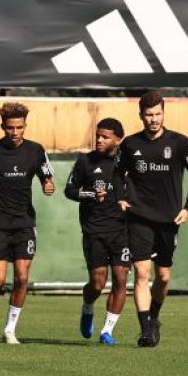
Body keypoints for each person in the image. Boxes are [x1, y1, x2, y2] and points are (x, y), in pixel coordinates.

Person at [115, 91, 188, 348]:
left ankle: (154, 317)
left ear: (163, 113)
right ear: (140, 115)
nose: (153, 119)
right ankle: (146, 331)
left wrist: (187, 208)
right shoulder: (130, 144)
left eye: (157, 114)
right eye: (149, 114)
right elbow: (117, 173)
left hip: (169, 219)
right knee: (142, 273)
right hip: (139, 216)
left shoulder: (180, 142)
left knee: (163, 277)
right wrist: (120, 197)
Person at [0, 102, 55, 344]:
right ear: (2, 126)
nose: (15, 132)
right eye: (10, 128)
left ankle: (9, 329)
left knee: (22, 278)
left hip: (24, 222)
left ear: (25, 125)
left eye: (19, 127)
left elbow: (46, 177)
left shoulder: (36, 150)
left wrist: (48, 185)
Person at [64, 118, 128, 345]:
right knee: (98, 284)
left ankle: (107, 331)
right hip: (94, 230)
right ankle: (88, 306)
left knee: (121, 279)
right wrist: (90, 194)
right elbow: (69, 190)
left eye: (105, 137)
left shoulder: (128, 163)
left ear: (118, 140)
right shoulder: (86, 161)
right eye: (98, 135)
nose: (99, 140)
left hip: (122, 231)